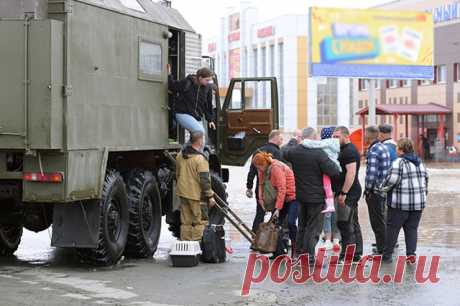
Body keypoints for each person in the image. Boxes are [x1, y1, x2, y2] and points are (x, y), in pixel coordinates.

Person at [284, 127, 340, 264]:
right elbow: (333, 171)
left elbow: (284, 153)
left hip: (301, 196)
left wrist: (294, 141)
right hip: (316, 197)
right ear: (314, 138)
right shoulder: (319, 153)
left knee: (302, 225)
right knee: (314, 227)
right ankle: (308, 255)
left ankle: (298, 254)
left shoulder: (295, 151)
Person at [379, 138, 428, 264]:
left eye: (397, 148)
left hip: (400, 204)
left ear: (401, 150)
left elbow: (391, 180)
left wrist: (380, 188)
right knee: (412, 229)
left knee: (393, 229)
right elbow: (426, 181)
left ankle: (387, 255)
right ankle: (411, 255)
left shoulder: (399, 162)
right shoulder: (420, 162)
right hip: (418, 204)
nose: (395, 151)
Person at [252, 152, 298, 258]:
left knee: (291, 223)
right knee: (275, 225)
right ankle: (278, 252)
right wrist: (261, 200)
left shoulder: (276, 168)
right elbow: (261, 184)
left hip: (292, 197)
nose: (259, 169)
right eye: (256, 167)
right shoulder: (262, 170)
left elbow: (282, 188)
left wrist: (277, 208)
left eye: (259, 167)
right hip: (280, 198)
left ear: (265, 164)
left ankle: (296, 250)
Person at [176, 131, 216, 241]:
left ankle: (186, 246)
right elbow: (204, 181)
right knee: (200, 221)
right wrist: (210, 196)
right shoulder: (200, 159)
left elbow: (177, 174)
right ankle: (197, 246)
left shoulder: (180, 155)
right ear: (200, 141)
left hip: (182, 192)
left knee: (185, 222)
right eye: (203, 139)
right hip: (196, 195)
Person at [332, 126, 364, 262]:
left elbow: (351, 174)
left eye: (337, 137)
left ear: (346, 136)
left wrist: (344, 192)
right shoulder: (343, 149)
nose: (334, 139)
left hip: (348, 192)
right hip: (347, 191)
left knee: (345, 223)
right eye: (333, 137)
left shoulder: (349, 151)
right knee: (352, 222)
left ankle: (349, 254)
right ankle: (356, 252)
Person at [246, 130, 284, 233]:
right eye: (281, 139)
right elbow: (281, 174)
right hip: (274, 190)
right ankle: (271, 239)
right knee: (275, 214)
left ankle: (255, 236)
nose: (282, 141)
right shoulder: (278, 153)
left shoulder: (258, 151)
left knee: (260, 213)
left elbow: (251, 172)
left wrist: (249, 187)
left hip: (260, 188)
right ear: (275, 138)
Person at [364, 126, 391, 256]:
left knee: (376, 221)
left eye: (365, 134)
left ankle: (382, 250)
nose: (364, 136)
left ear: (369, 136)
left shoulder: (374, 150)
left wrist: (368, 190)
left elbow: (372, 173)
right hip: (384, 190)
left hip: (375, 191)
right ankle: (384, 247)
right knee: (382, 219)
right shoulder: (383, 147)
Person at [168, 66, 216, 134]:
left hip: (196, 116)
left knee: (201, 141)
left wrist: (210, 120)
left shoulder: (208, 88)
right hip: (183, 113)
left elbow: (208, 105)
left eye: (210, 80)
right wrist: (169, 74)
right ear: (200, 78)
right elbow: (173, 85)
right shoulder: (187, 83)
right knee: (200, 132)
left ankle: (188, 145)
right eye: (207, 80)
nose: (208, 82)